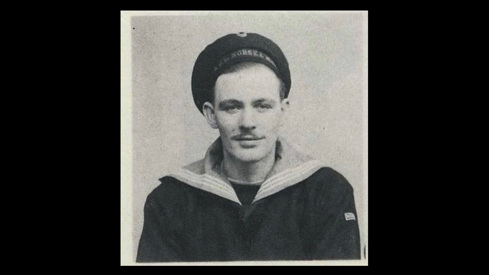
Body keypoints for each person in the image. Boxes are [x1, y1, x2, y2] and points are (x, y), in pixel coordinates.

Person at [136, 32, 361, 262]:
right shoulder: (169, 201)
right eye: (232, 107)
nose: (247, 123)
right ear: (211, 115)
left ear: (282, 111)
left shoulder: (327, 192)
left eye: (262, 106)